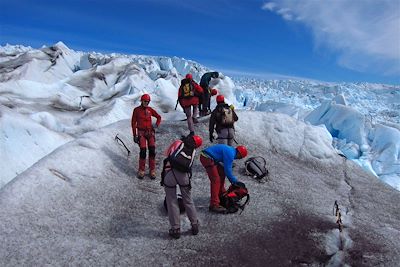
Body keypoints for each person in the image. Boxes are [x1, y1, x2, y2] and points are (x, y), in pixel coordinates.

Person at [161, 135, 203, 239]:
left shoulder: (179, 143)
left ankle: (175, 229)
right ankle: (194, 225)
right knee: (188, 201)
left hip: (170, 174)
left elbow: (167, 154)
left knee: (172, 201)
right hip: (184, 177)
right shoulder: (192, 151)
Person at [200, 144, 248, 213]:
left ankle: (221, 193)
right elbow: (228, 170)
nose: (237, 159)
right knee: (216, 180)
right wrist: (234, 181)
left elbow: (225, 168)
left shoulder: (230, 150)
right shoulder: (230, 153)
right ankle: (214, 204)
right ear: (239, 155)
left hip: (208, 156)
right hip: (207, 157)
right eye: (239, 157)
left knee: (222, 173)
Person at [131, 94, 162, 179]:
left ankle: (152, 170)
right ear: (141, 101)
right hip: (141, 133)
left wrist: (157, 124)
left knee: (152, 150)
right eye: (145, 101)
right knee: (143, 151)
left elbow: (159, 117)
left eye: (148, 102)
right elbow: (133, 123)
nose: (146, 103)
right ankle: (141, 170)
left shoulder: (150, 110)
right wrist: (134, 135)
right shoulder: (136, 110)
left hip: (150, 133)